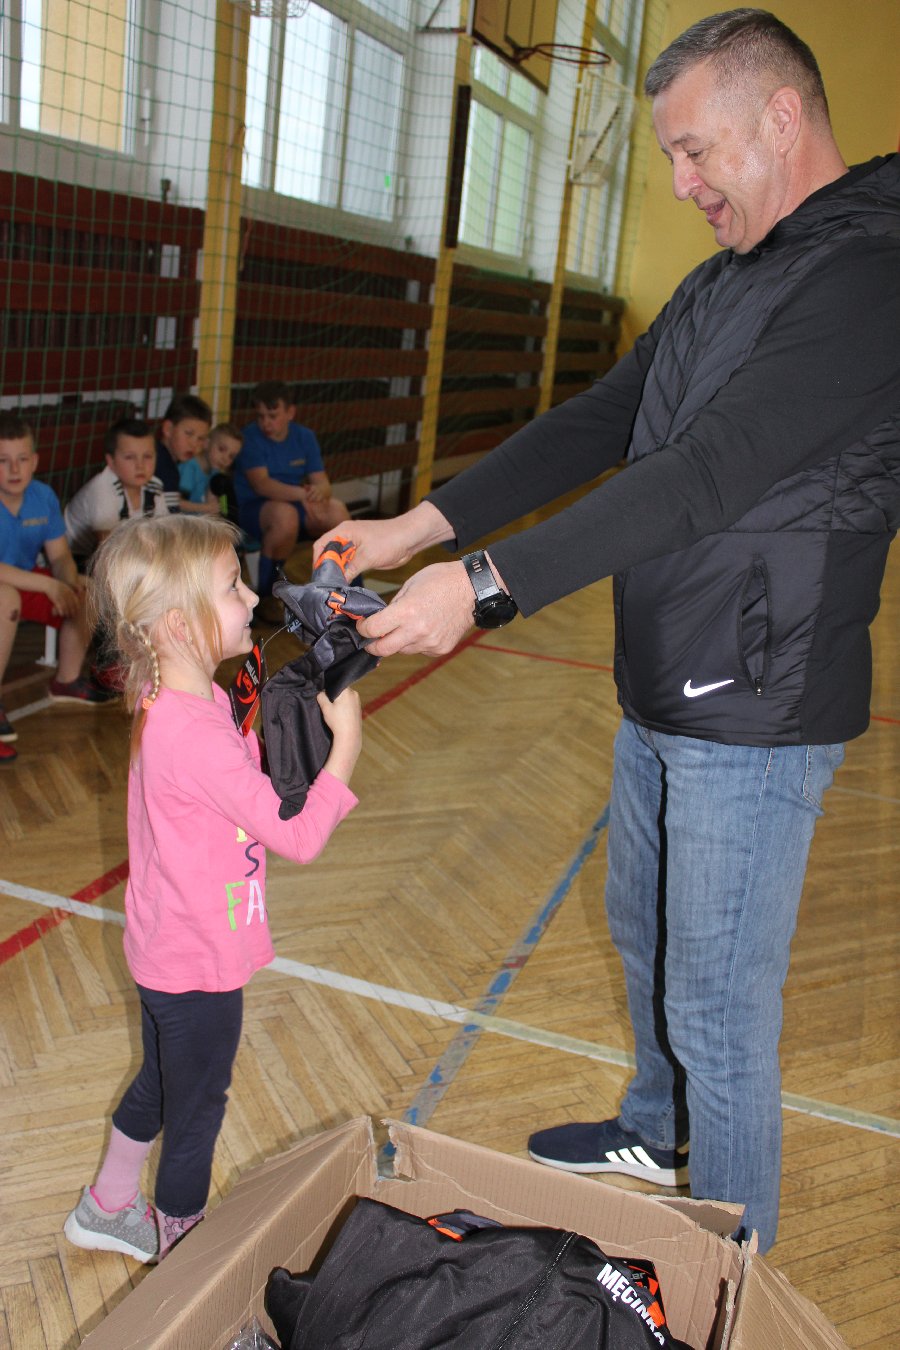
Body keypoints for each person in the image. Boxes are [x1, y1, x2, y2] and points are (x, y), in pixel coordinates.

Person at [311, 10, 900, 1252]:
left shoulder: (868, 277)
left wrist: (481, 586)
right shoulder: (725, 278)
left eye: (695, 153)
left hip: (760, 701)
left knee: (720, 1011)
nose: (681, 185)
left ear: (781, 119)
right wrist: (418, 526)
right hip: (667, 670)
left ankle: (728, 1282)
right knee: (644, 930)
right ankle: (656, 1125)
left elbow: (705, 474)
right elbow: (601, 422)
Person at [63, 513, 362, 1262]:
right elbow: (297, 837)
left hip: (168, 947)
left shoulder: (184, 700)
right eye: (232, 587)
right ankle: (185, 1265)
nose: (252, 596)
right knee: (196, 1113)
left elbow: (240, 782)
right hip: (198, 964)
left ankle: (107, 1205)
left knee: (163, 1083)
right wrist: (346, 749)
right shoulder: (193, 731)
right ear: (177, 625)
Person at [0, 413, 117, 764]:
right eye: (3, 461)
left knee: (86, 588)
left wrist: (67, 583)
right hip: (9, 589)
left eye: (22, 459)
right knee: (6, 598)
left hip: (26, 580)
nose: (14, 469)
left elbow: (60, 556)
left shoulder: (43, 496)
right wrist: (50, 584)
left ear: (35, 461)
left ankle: (66, 679)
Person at [234, 380, 346, 600]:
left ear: (290, 412)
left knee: (337, 511)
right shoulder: (250, 438)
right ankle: (267, 595)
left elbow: (323, 483)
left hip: (293, 503)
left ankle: (349, 588)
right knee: (286, 516)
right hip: (254, 508)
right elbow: (262, 485)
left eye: (272, 416)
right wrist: (305, 495)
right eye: (260, 416)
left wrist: (319, 493)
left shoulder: (305, 436)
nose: (265, 423)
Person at [64, 417, 168, 564]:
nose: (140, 465)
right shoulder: (102, 488)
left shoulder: (154, 486)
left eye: (147, 456)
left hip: (129, 553)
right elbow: (106, 545)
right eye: (130, 457)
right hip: (78, 559)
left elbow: (165, 532)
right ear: (111, 461)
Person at [155, 393, 213, 513]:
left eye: (201, 438)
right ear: (168, 429)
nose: (194, 444)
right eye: (189, 434)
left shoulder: (161, 455)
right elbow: (170, 519)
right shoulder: (165, 468)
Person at [179, 421, 242, 524]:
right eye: (221, 449)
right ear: (207, 444)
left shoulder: (215, 473)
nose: (225, 459)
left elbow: (214, 506)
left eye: (231, 456)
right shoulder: (190, 468)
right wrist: (205, 508)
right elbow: (178, 503)